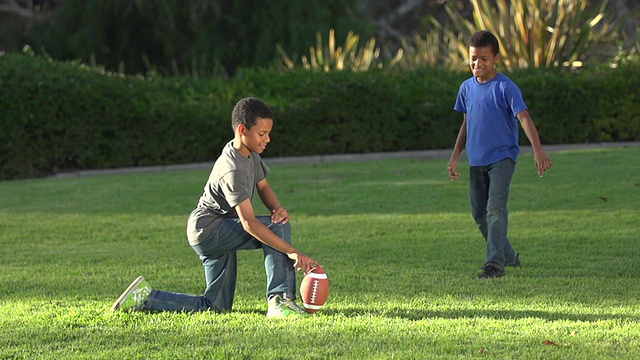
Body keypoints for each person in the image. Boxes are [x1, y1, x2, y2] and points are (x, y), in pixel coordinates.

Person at [112, 97, 320, 318]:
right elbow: (249, 223)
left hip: (216, 229)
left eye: (268, 133)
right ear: (242, 130)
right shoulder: (233, 168)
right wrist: (293, 251)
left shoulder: (249, 154)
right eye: (262, 134)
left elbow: (263, 185)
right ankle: (281, 301)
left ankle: (144, 298)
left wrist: (277, 208)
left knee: (216, 306)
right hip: (211, 230)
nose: (267, 139)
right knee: (275, 227)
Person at [447, 30, 552, 279]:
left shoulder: (505, 86)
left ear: (495, 58)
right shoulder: (466, 89)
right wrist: (455, 155)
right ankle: (507, 254)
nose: (477, 64)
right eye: (473, 58)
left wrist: (537, 150)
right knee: (478, 213)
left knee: (495, 209)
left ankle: (495, 265)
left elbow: (524, 117)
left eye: (484, 58)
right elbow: (466, 123)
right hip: (477, 159)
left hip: (502, 158)